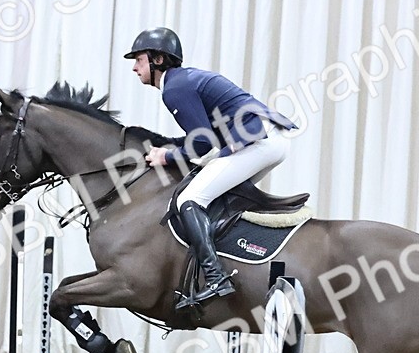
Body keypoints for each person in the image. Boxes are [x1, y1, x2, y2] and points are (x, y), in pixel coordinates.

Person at [125, 27, 297, 309]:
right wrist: (170, 148)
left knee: (189, 199)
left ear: (157, 59)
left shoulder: (174, 88)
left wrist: (167, 158)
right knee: (215, 197)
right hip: (266, 139)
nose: (134, 68)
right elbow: (204, 138)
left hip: (259, 142)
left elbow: (202, 144)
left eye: (139, 60)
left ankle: (216, 277)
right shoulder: (183, 80)